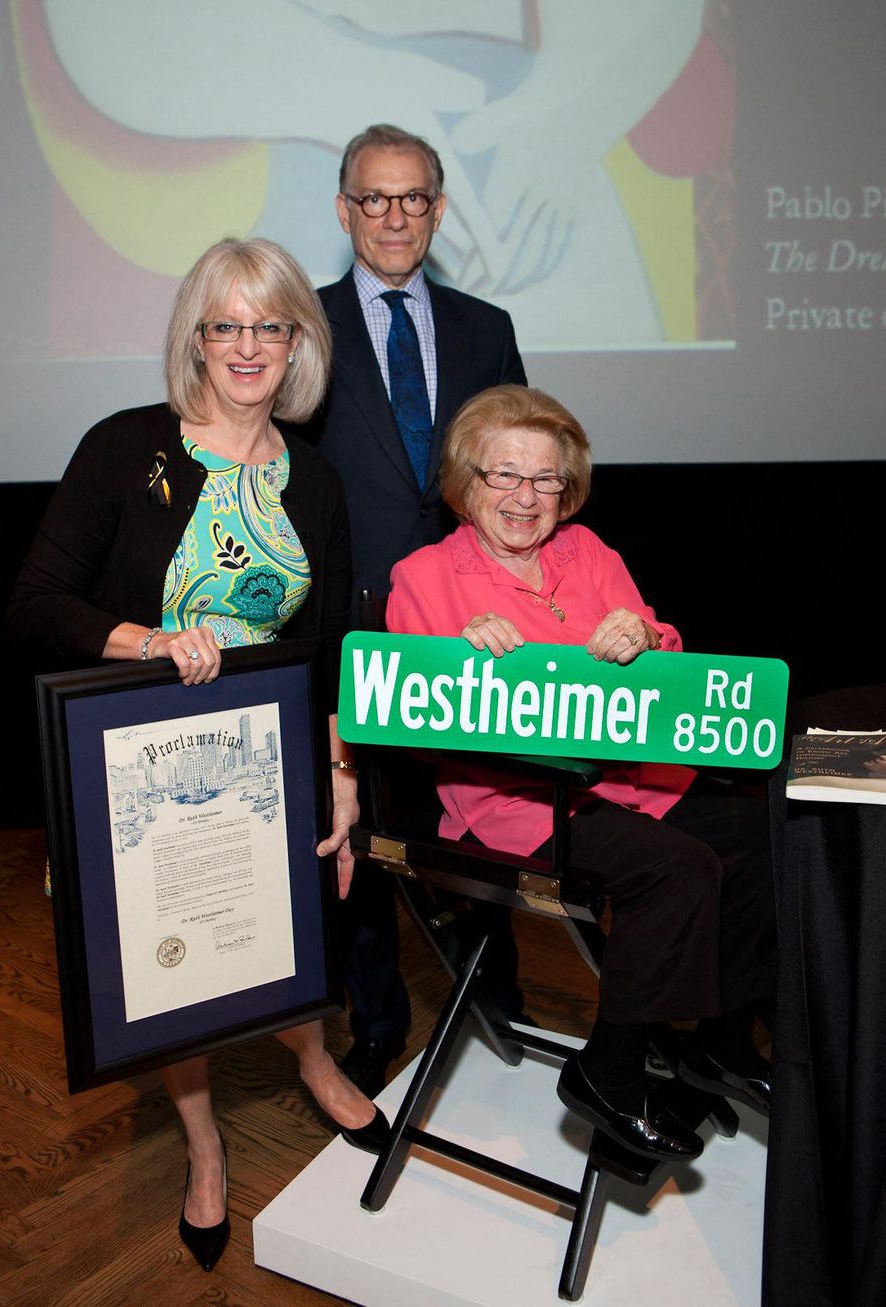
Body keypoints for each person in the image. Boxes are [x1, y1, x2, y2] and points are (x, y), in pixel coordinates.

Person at [9, 237, 388, 1273]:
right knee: (175, 954)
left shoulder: (314, 478)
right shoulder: (127, 448)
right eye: (224, 323)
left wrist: (342, 771)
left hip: (270, 754)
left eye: (270, 323)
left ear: (299, 340)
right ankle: (205, 1140)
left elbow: (340, 647)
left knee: (285, 918)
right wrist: (151, 641)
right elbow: (37, 600)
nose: (247, 344)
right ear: (195, 337)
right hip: (139, 758)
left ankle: (311, 1057)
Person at [386, 384, 775, 1159]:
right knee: (678, 870)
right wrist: (458, 655)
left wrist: (648, 633)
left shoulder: (589, 552)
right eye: (505, 475)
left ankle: (723, 1040)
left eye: (545, 480)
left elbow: (664, 649)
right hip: (521, 804)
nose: (526, 497)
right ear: (467, 482)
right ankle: (613, 1071)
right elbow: (405, 704)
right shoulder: (425, 576)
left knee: (766, 832)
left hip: (629, 782)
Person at [295, 122, 528, 1096]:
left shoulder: (486, 326)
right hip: (348, 622)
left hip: (472, 625)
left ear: (438, 209)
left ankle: (496, 997)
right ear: (345, 209)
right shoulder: (297, 326)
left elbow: (517, 475)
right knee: (358, 826)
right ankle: (377, 1019)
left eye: (413, 198)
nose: (393, 215)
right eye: (373, 198)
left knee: (486, 811)